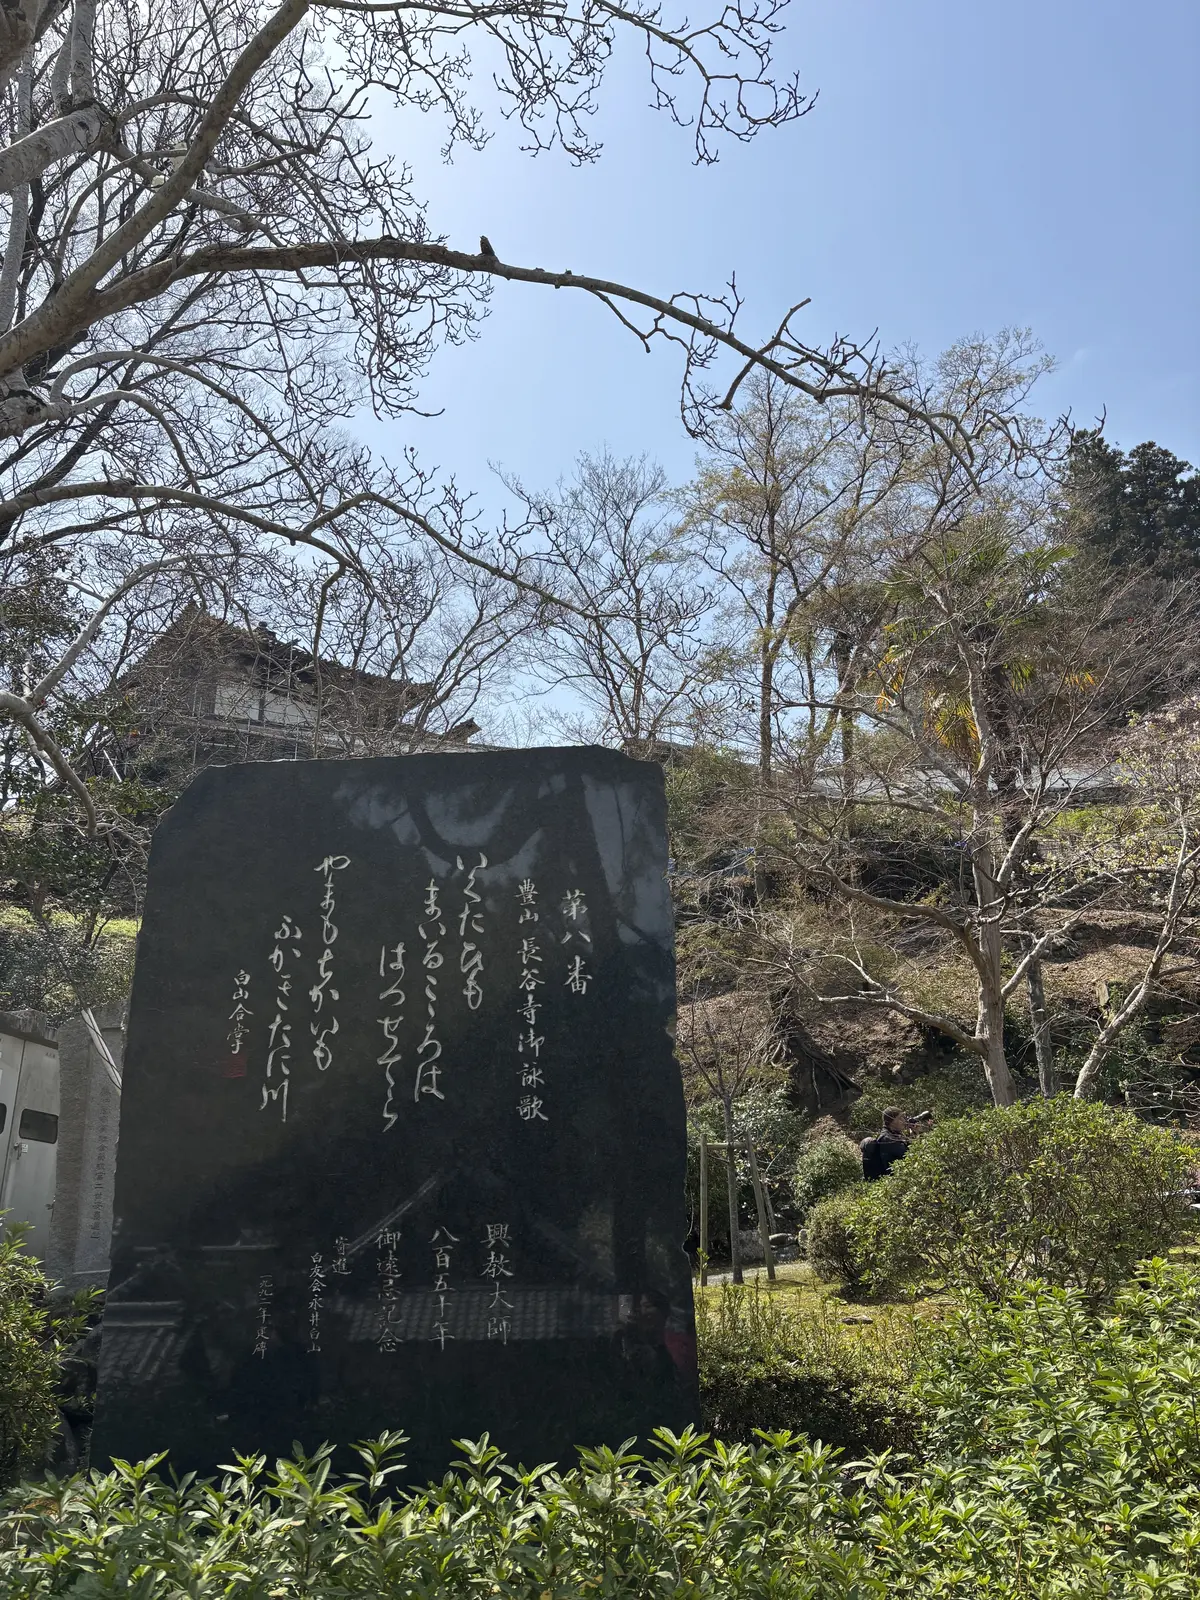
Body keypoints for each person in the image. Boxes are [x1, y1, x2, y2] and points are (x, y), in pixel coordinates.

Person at [861, 1107, 912, 1181]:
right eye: (900, 1118)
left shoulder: (893, 1134)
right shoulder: (887, 1139)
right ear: (892, 1121)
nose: (904, 1121)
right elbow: (909, 1155)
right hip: (892, 1181)